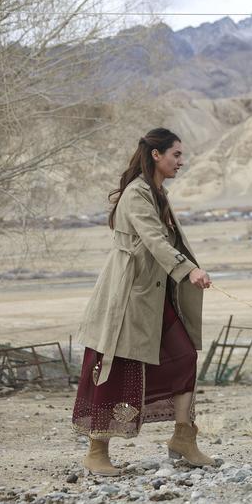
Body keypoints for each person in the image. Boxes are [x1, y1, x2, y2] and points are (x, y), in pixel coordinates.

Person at [72, 128, 215, 476]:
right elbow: (153, 239)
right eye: (176, 155)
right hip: (128, 297)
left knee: (183, 355)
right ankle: (96, 452)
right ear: (156, 154)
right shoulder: (137, 194)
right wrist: (188, 270)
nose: (181, 161)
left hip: (154, 294)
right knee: (112, 367)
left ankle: (184, 438)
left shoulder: (157, 193)